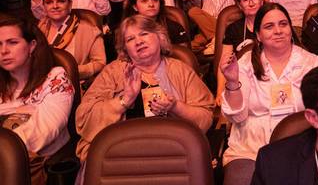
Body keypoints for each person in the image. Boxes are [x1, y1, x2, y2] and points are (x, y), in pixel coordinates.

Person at [219, 3, 318, 185]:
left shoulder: (311, 62)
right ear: (258, 34)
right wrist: (232, 82)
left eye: (283, 24)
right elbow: (237, 116)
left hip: (301, 147)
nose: (277, 30)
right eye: (269, 26)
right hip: (249, 149)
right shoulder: (244, 64)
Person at [75, 15, 214, 161]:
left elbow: (205, 119)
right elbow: (84, 120)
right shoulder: (112, 72)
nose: (138, 41)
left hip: (172, 153)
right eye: (130, 39)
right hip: (121, 155)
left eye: (144, 34)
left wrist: (175, 107)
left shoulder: (180, 70)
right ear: (125, 49)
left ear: (160, 37)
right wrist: (125, 100)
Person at [0, 16, 74, 185]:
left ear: (32, 46)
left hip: (37, 171)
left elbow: (45, 128)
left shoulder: (55, 78)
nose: (3, 51)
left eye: (12, 42)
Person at [36, 0, 106, 84]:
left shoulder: (89, 30)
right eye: (49, 2)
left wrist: (71, 70)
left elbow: (100, 63)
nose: (55, 6)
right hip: (40, 82)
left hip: (73, 84)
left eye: (61, 1)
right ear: (44, 6)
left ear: (70, 4)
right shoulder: (39, 29)